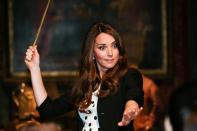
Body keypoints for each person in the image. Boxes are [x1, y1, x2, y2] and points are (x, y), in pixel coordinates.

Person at [25, 21, 144, 131]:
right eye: (102, 47)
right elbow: (48, 110)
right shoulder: (85, 86)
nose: (110, 53)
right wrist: (34, 69)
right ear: (92, 53)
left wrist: (130, 109)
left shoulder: (129, 75)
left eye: (114, 46)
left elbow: (134, 96)